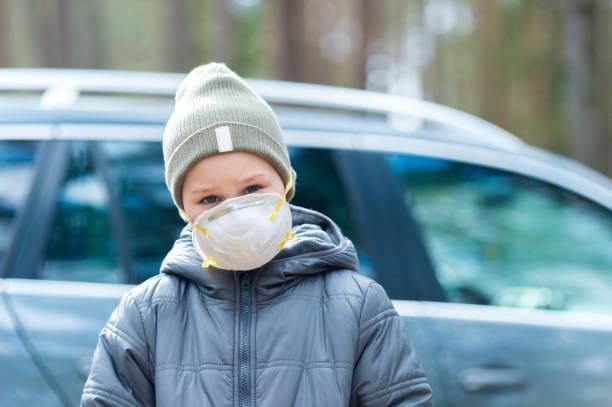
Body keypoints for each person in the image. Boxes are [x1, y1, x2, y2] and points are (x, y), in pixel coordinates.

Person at [80, 62, 434, 406]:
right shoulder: (146, 315)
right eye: (210, 198)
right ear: (185, 211)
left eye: (252, 189)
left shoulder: (358, 307)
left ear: (286, 183)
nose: (235, 212)